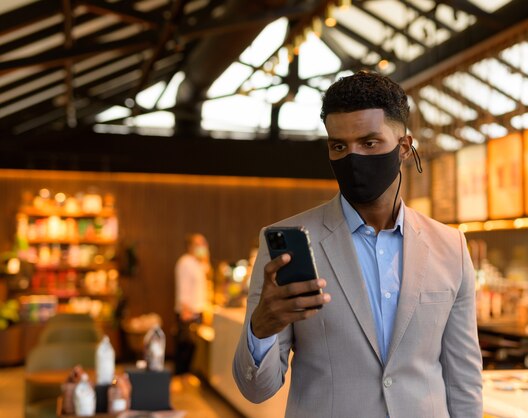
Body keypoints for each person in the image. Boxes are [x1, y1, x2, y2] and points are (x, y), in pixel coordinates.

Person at [233, 71, 482, 418]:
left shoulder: (450, 246)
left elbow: (463, 378)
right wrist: (261, 329)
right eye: (339, 146)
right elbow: (256, 389)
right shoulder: (289, 241)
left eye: (369, 143)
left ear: (405, 148)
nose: (353, 158)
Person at [174, 233, 212, 376]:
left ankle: (186, 376)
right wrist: (185, 310)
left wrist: (205, 257)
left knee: (192, 348)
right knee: (185, 348)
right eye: (200, 244)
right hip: (188, 312)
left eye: (204, 244)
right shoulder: (185, 262)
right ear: (190, 246)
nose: (203, 247)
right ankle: (180, 377)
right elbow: (183, 288)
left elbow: (206, 274)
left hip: (197, 312)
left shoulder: (198, 263)